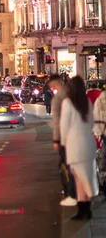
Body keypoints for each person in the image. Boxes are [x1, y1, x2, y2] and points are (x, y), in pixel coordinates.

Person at [60, 76, 98, 220]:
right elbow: (92, 123)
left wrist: (63, 143)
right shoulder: (87, 102)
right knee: (87, 177)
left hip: (75, 145)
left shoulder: (68, 103)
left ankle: (83, 210)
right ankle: (87, 208)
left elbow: (64, 127)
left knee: (78, 178)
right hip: (88, 143)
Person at [49, 74, 77, 206]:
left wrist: (56, 140)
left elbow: (56, 121)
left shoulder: (57, 100)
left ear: (54, 85)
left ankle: (72, 194)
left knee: (67, 164)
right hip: (78, 134)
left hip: (65, 137)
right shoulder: (73, 94)